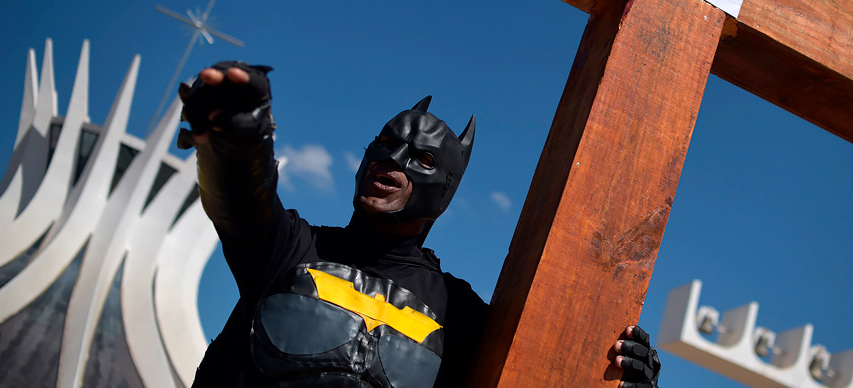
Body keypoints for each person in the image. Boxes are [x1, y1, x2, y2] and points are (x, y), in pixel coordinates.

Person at [178, 61, 661, 388]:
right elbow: (241, 199)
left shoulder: (463, 317)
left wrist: (627, 381)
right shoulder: (289, 248)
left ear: (445, 191)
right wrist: (235, 138)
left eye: (422, 159)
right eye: (385, 143)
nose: (394, 158)